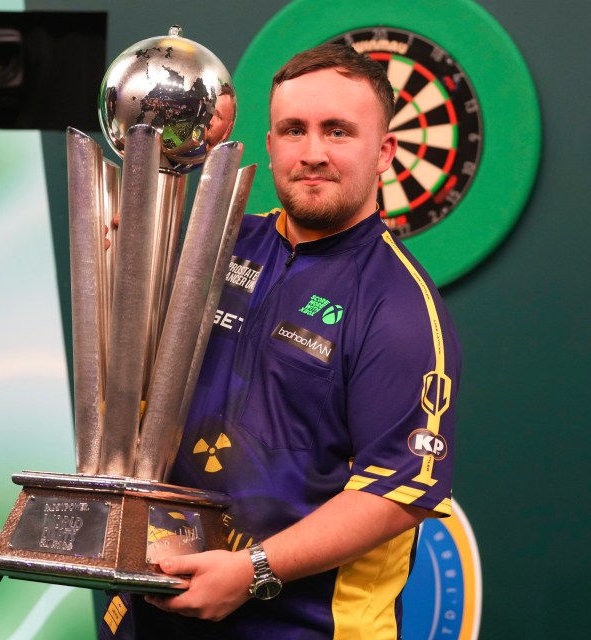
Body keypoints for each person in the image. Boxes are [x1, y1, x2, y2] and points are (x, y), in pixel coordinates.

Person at [101, 43, 461, 640]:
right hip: (153, 610)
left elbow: (401, 491)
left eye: (338, 131)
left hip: (296, 626)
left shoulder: (398, 306)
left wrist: (251, 570)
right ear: (269, 147)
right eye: (294, 130)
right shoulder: (214, 246)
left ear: (385, 153)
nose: (312, 153)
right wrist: (133, 257)